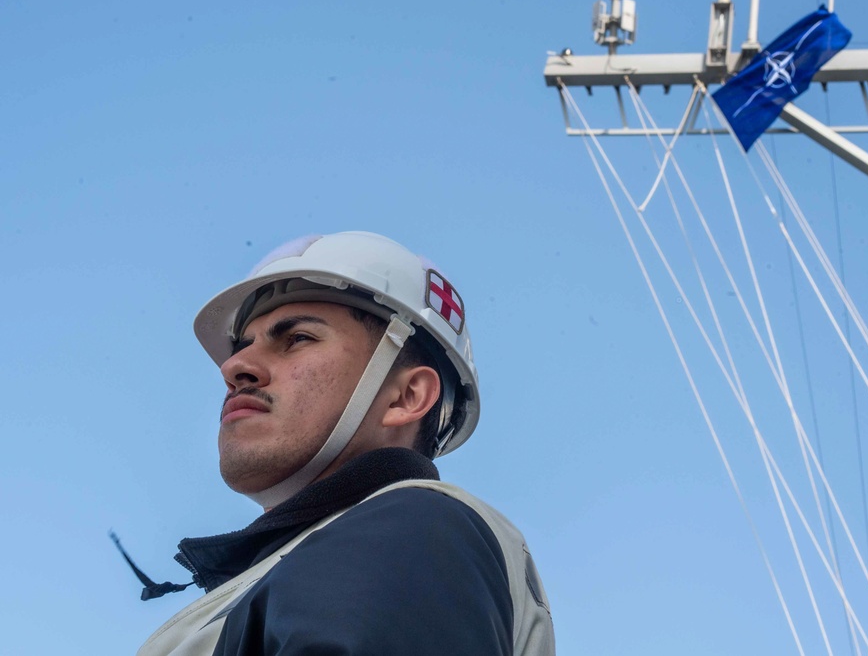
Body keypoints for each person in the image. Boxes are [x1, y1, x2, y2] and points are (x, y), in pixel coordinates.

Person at [138, 232, 555, 655]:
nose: (234, 366)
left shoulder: (413, 528)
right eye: (244, 345)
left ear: (405, 397)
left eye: (297, 338)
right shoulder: (287, 572)